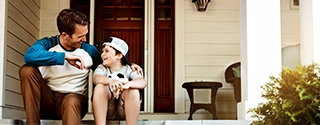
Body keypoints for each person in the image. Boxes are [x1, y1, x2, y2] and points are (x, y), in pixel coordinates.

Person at [18, 9, 142, 125]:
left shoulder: (89, 51)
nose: (85, 39)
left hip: (74, 101)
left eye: (85, 34)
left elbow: (110, 63)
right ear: (65, 35)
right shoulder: (47, 44)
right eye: (80, 36)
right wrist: (65, 57)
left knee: (71, 100)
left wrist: (129, 64)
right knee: (26, 70)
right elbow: (29, 56)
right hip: (47, 100)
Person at [92, 37, 147, 125]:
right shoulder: (102, 68)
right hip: (107, 111)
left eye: (107, 51)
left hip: (124, 110)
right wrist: (110, 81)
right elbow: (96, 78)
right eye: (102, 51)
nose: (102, 54)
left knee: (133, 90)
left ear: (119, 55)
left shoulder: (128, 69)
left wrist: (128, 85)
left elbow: (143, 82)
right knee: (99, 86)